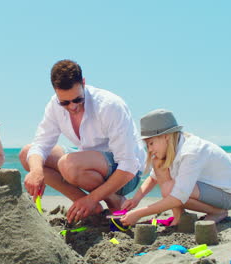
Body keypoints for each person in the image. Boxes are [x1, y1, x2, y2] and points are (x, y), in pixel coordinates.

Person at [20, 59, 146, 223]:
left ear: (84, 83)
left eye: (77, 99)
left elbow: (129, 166)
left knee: (69, 165)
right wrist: (36, 172)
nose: (72, 107)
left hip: (126, 176)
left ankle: (114, 200)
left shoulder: (110, 106)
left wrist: (92, 197)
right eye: (65, 102)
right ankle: (87, 205)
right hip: (88, 163)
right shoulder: (54, 105)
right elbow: (40, 145)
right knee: (27, 155)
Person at [120, 109, 231, 226]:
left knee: (170, 189)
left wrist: (139, 214)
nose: (150, 149)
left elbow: (178, 197)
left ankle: (217, 212)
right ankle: (179, 216)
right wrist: (135, 200)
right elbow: (153, 178)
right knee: (158, 165)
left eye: (151, 143)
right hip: (206, 189)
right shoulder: (172, 149)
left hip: (227, 194)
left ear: (166, 136)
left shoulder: (191, 151)